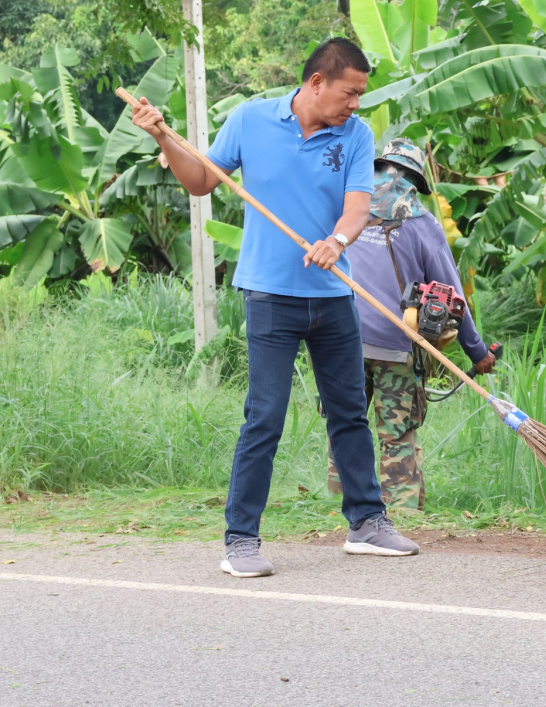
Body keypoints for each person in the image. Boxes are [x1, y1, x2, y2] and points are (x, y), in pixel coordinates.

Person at [131, 38, 417, 578]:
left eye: (361, 94)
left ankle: (367, 523)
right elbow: (198, 183)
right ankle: (241, 539)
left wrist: (336, 241)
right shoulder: (250, 121)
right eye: (349, 93)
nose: (355, 104)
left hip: (332, 296)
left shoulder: (355, 135)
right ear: (316, 83)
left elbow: (359, 206)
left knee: (349, 411)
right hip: (269, 294)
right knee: (264, 416)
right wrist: (161, 137)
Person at [326, 139, 496, 518]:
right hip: (394, 344)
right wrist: (478, 353)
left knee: (343, 425)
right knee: (397, 432)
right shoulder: (422, 224)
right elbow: (452, 296)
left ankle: (336, 506)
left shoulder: (348, 210)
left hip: (340, 341)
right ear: (414, 181)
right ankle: (401, 512)